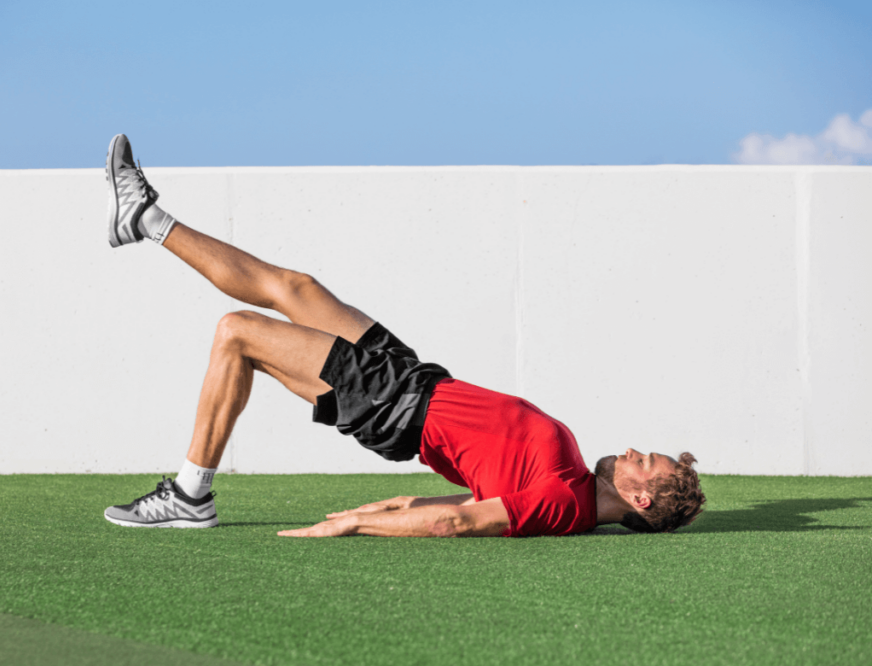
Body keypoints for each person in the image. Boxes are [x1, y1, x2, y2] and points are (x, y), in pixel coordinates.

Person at [102, 134, 706, 538]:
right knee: (295, 286)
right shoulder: (572, 477)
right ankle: (146, 218)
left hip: (394, 405)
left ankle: (190, 495)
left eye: (643, 462)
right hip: (414, 378)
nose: (631, 451)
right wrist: (395, 506)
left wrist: (357, 526)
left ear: (642, 500)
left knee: (237, 333)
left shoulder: (566, 504)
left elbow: (465, 523)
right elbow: (458, 504)